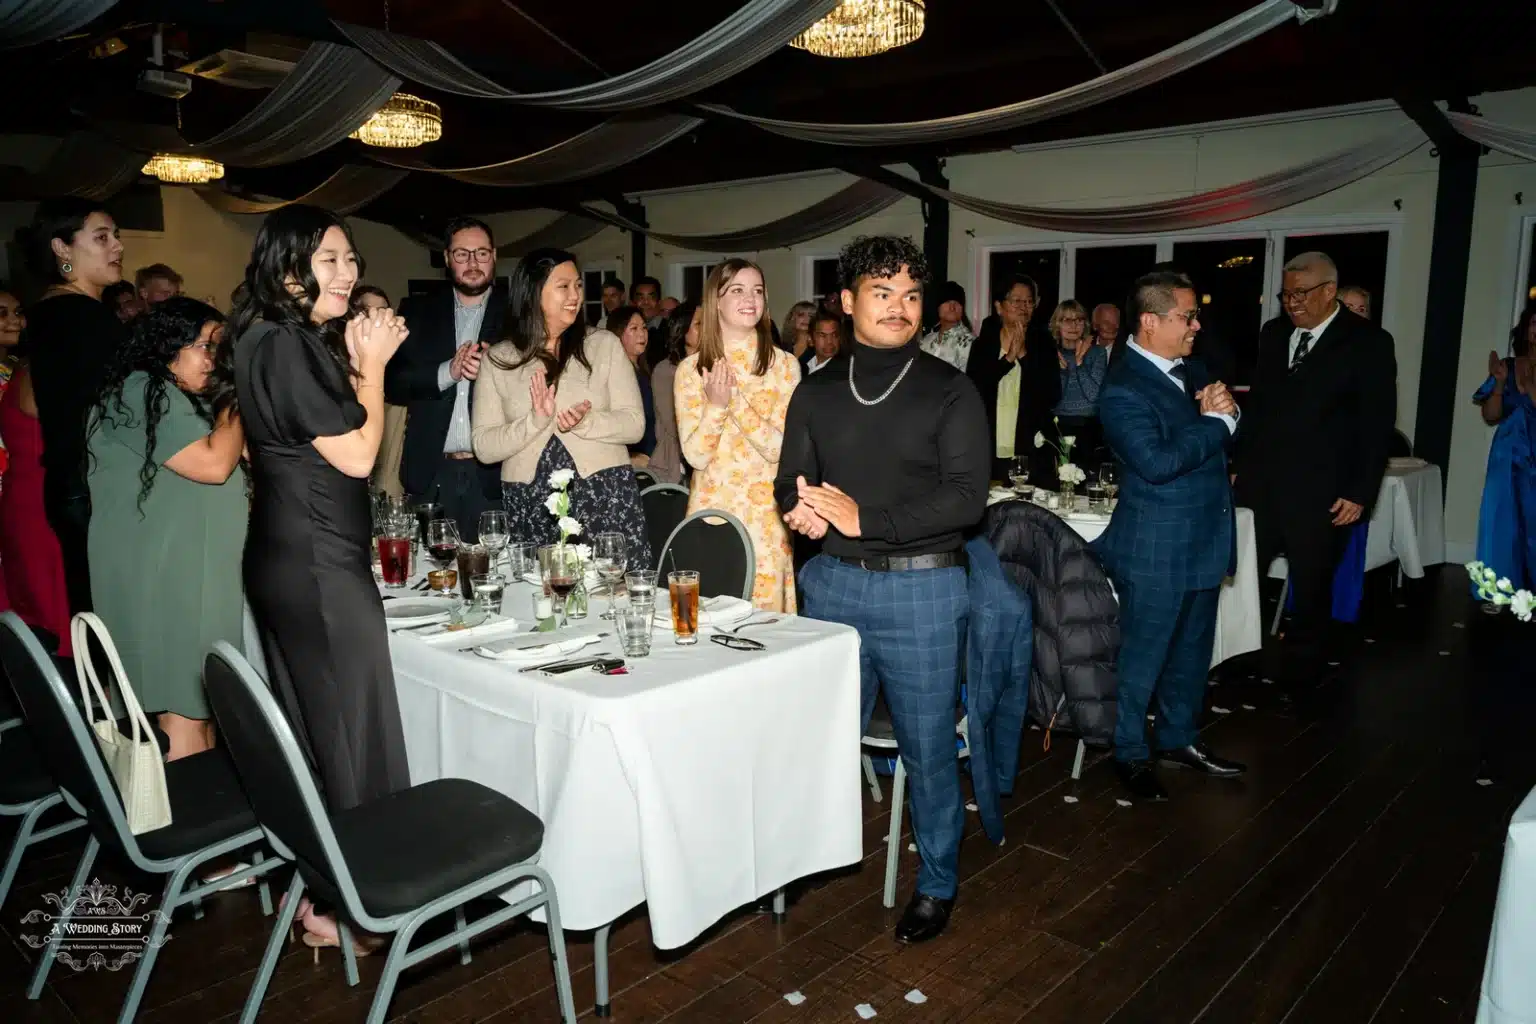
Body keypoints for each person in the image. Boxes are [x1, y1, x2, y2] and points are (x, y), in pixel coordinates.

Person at [779, 235, 989, 943]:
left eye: (909, 296)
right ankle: (813, 854)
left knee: (927, 749)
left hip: (923, 589)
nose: (899, 308)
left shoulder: (950, 387)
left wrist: (868, 519)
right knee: (823, 736)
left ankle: (935, 883)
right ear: (847, 302)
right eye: (881, 293)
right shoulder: (815, 389)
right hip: (832, 585)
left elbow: (967, 500)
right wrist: (799, 508)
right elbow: (791, 477)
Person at [226, 204, 410, 954]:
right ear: (288, 267)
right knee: (355, 736)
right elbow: (360, 458)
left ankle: (327, 890)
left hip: (287, 552)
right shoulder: (286, 345)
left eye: (351, 258)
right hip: (318, 564)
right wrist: (373, 368)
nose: (348, 272)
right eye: (329, 260)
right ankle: (363, 915)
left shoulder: (273, 339)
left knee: (320, 738)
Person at [1094, 271, 1246, 802]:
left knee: (1191, 653)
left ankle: (1179, 739)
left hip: (1203, 536)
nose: (1197, 325)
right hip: (1155, 544)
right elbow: (1157, 463)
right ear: (1150, 321)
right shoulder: (1121, 389)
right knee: (1144, 656)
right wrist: (1219, 425)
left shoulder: (1194, 369)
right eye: (1187, 316)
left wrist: (1229, 412)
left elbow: (1217, 427)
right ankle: (1130, 752)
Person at [86, 298, 245, 760]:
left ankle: (205, 816)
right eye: (205, 347)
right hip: (165, 576)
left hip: (193, 570)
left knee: (203, 706)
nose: (215, 361)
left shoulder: (181, 398)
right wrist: (236, 390)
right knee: (183, 709)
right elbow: (215, 464)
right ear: (167, 345)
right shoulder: (140, 391)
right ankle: (189, 826)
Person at [1235, 251, 1396, 689]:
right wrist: (1239, 467)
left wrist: (1360, 491)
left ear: (1329, 291)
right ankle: (1236, 659)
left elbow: (1376, 425)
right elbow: (1260, 408)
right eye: (1286, 294)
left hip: (1324, 490)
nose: (1292, 302)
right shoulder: (1274, 333)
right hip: (1262, 486)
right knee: (1243, 575)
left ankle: (1301, 677)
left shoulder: (1368, 342)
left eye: (1301, 293)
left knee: (1311, 584)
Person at [473, 249, 652, 568]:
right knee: (544, 606)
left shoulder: (603, 345)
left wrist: (587, 423)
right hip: (530, 499)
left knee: (613, 596)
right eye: (563, 286)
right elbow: (484, 448)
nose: (575, 296)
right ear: (532, 293)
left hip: (604, 493)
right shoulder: (499, 359)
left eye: (579, 285)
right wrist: (534, 422)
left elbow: (635, 424)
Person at [23, 198, 129, 619]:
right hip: (98, 486)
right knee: (118, 615)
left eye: (116, 236)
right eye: (102, 237)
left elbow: (37, 402)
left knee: (93, 611)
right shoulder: (84, 316)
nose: (118, 246)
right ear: (62, 249)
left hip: (70, 483)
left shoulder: (46, 312)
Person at [676, 259, 801, 612]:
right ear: (716, 300)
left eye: (757, 291)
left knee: (766, 637)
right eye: (737, 290)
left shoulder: (785, 366)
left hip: (766, 518)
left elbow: (780, 448)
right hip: (711, 516)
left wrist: (733, 403)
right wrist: (716, 408)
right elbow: (696, 457)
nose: (750, 299)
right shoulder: (690, 370)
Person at [384, 216, 505, 540]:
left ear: (494, 256)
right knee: (433, 582)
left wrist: (497, 373)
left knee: (494, 580)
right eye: (462, 254)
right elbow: (392, 383)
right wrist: (446, 373)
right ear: (447, 259)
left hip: (495, 476)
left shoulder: (518, 316)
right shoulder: (416, 311)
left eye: (481, 253)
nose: (472, 263)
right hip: (431, 471)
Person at [966, 274, 1061, 485]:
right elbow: (973, 390)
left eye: (1028, 302)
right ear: (999, 307)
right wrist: (1008, 359)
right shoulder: (983, 345)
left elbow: (1052, 394)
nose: (1023, 307)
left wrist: (1024, 356)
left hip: (1030, 444)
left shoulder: (1044, 344)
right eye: (1016, 301)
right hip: (989, 440)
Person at [1472, 300, 1536, 591]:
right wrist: (1499, 383)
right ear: (1526, 330)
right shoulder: (1507, 367)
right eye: (1535, 323)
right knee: (1500, 524)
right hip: (1505, 457)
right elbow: (1490, 416)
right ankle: (1496, 592)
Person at [355, 285, 407, 498]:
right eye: (370, 312)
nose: (379, 319)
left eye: (385, 311)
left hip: (390, 485)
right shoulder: (336, 366)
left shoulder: (402, 367)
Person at [648, 301, 698, 485]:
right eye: (699, 324)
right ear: (682, 329)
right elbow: (676, 424)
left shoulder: (713, 367)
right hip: (674, 469)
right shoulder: (666, 370)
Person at [607, 305, 656, 467]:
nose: (642, 334)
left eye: (644, 327)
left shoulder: (644, 371)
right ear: (617, 334)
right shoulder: (616, 375)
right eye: (633, 329)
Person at [919, 280, 973, 370]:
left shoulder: (970, 343)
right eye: (947, 302)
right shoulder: (926, 341)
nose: (952, 307)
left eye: (957, 302)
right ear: (938, 306)